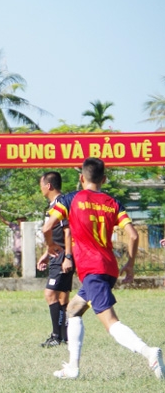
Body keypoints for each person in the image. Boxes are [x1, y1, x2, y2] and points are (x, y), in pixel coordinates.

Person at [42, 157, 163, 380]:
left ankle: (149, 353)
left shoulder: (70, 199)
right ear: (104, 179)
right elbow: (134, 235)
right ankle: (72, 368)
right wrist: (131, 264)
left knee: (110, 322)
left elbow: (47, 226)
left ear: (81, 178)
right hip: (108, 267)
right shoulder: (113, 203)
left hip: (92, 269)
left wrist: (50, 245)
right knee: (73, 309)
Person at [36, 171, 74, 348]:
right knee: (62, 297)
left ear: (48, 185)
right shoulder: (54, 204)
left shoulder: (60, 204)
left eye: (41, 184)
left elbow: (68, 231)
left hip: (62, 256)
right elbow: (57, 234)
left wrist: (67, 257)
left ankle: (56, 336)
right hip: (57, 254)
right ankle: (64, 336)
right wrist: (46, 253)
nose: (40, 188)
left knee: (50, 293)